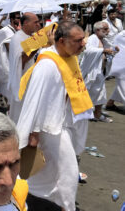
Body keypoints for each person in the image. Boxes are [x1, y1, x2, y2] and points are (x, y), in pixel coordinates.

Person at [16, 21, 94, 211]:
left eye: (83, 39)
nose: (83, 44)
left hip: (61, 125)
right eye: (78, 41)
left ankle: (43, 203)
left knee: (47, 174)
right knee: (68, 173)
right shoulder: (47, 65)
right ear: (61, 41)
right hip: (48, 129)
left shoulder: (67, 57)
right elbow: (34, 100)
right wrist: (32, 134)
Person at [7, 12, 41, 123]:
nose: (38, 24)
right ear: (25, 23)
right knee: (19, 116)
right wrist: (35, 47)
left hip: (33, 80)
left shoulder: (32, 37)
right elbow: (20, 61)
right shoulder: (18, 38)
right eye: (35, 22)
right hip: (21, 81)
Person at [80, 21, 114, 122]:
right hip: (92, 71)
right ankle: (85, 114)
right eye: (105, 29)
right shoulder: (92, 39)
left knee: (101, 94)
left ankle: (97, 114)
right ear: (98, 30)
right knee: (88, 94)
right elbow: (88, 51)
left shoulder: (103, 40)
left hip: (100, 71)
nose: (108, 31)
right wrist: (102, 50)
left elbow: (109, 50)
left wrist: (113, 50)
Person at [0, 13, 21, 108]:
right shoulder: (7, 31)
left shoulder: (14, 31)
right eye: (17, 18)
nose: (19, 20)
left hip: (3, 65)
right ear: (11, 19)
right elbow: (12, 51)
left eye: (20, 18)